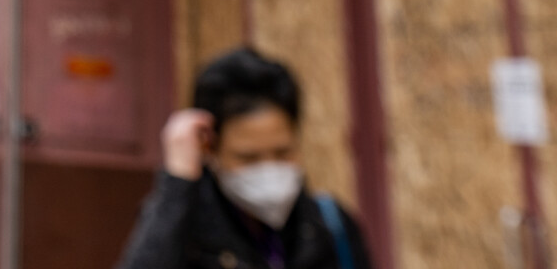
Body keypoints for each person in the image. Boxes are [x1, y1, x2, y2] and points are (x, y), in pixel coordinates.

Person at [117, 47, 373, 269]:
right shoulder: (182, 232)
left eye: (283, 153)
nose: (269, 169)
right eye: (248, 158)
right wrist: (179, 181)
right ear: (210, 149)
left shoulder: (332, 226)